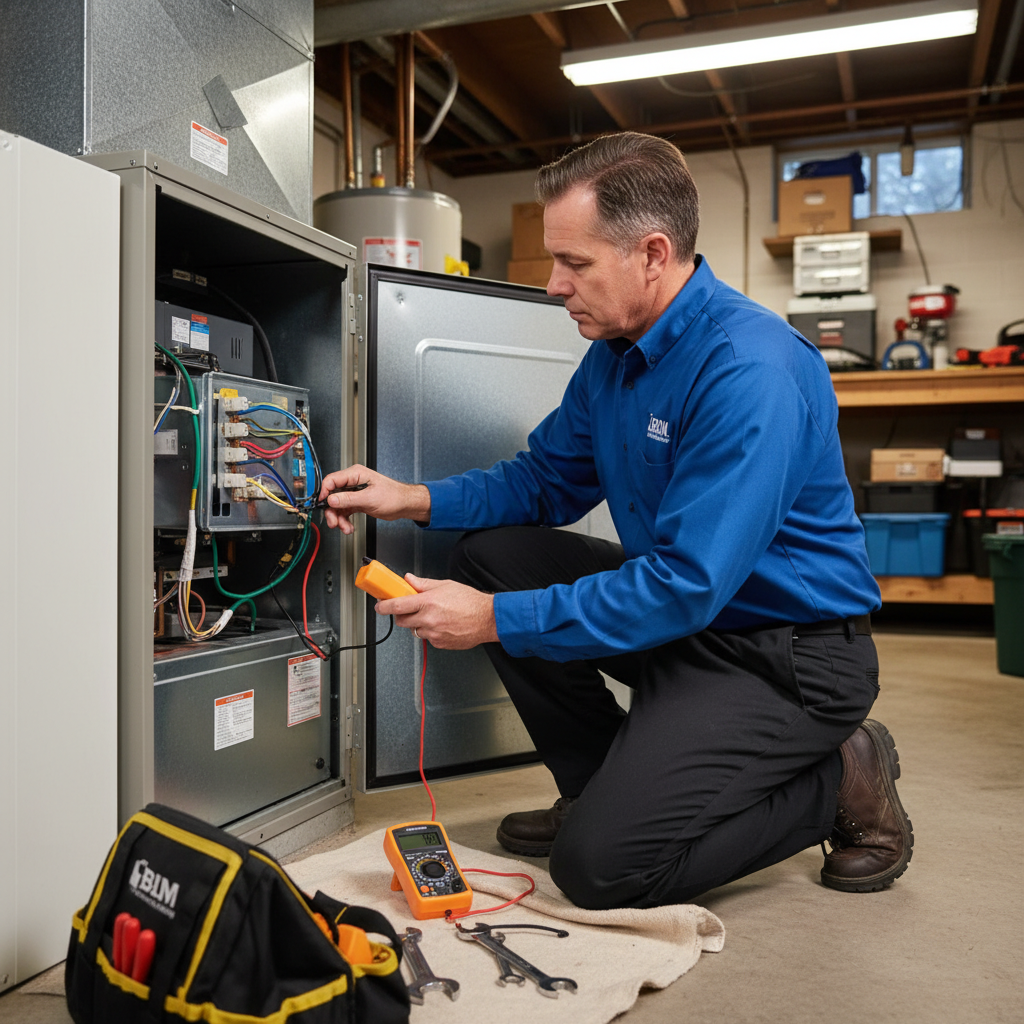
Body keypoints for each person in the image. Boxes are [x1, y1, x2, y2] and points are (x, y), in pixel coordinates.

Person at [318, 132, 913, 910]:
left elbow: (684, 584)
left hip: (784, 658)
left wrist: (493, 619)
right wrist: (412, 497)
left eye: (575, 262)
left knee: (601, 870)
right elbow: (546, 480)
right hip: (693, 626)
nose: (554, 286)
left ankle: (841, 777)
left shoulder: (749, 370)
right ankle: (599, 789)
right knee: (494, 556)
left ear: (652, 254)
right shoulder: (618, 352)